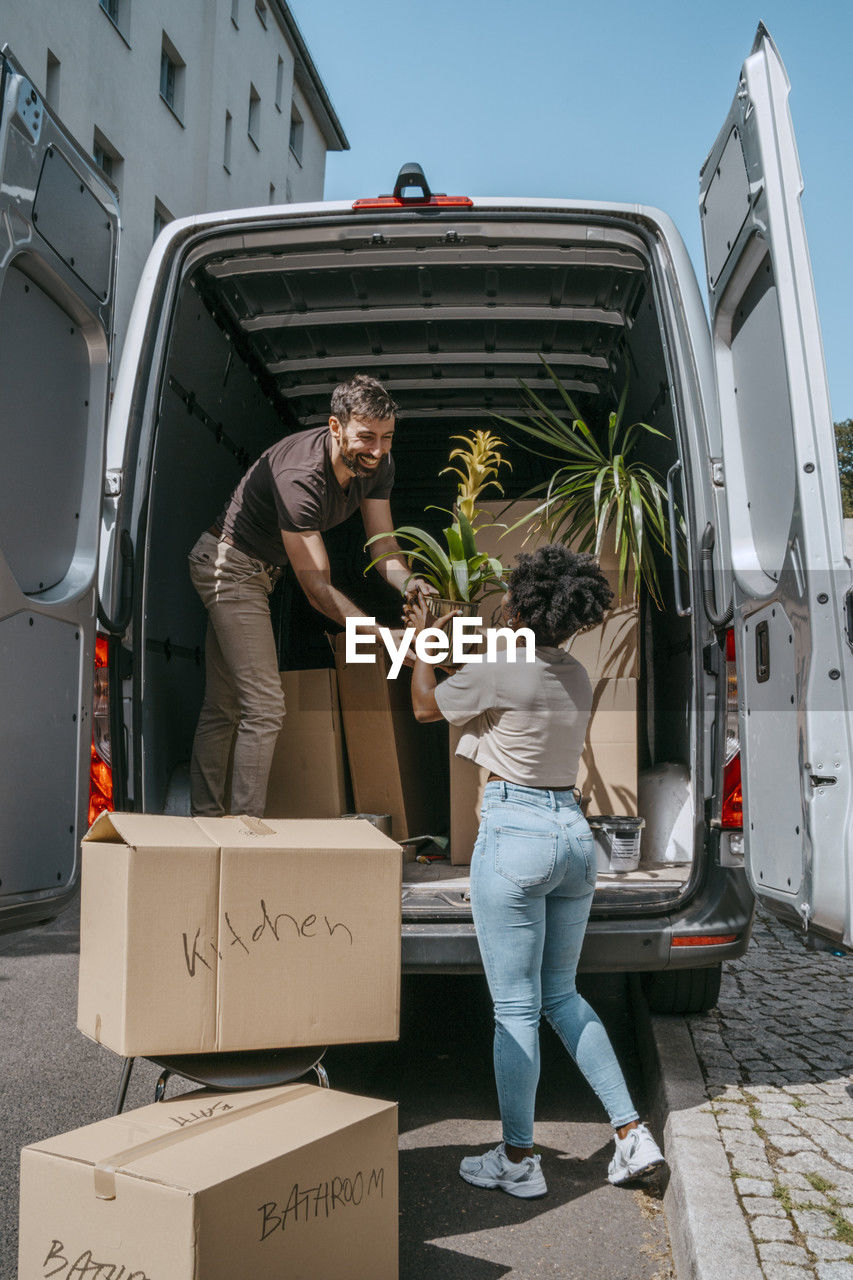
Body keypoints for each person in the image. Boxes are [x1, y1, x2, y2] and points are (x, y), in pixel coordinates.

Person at [405, 544, 666, 1198]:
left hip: (516, 833)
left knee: (515, 1010)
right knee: (561, 996)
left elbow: (425, 707)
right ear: (575, 614)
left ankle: (518, 1161)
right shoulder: (574, 673)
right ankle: (632, 1135)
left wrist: (418, 654)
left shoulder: (500, 667)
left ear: (522, 602)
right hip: (573, 839)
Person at [188, 373, 427, 818]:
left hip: (260, 572)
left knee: (224, 705)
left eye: (387, 438)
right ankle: (242, 833)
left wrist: (410, 583)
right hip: (230, 568)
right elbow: (317, 589)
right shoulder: (300, 476)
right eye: (367, 437)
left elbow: (383, 545)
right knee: (264, 705)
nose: (378, 449)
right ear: (335, 428)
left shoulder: (378, 464)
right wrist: (382, 636)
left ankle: (205, 820)